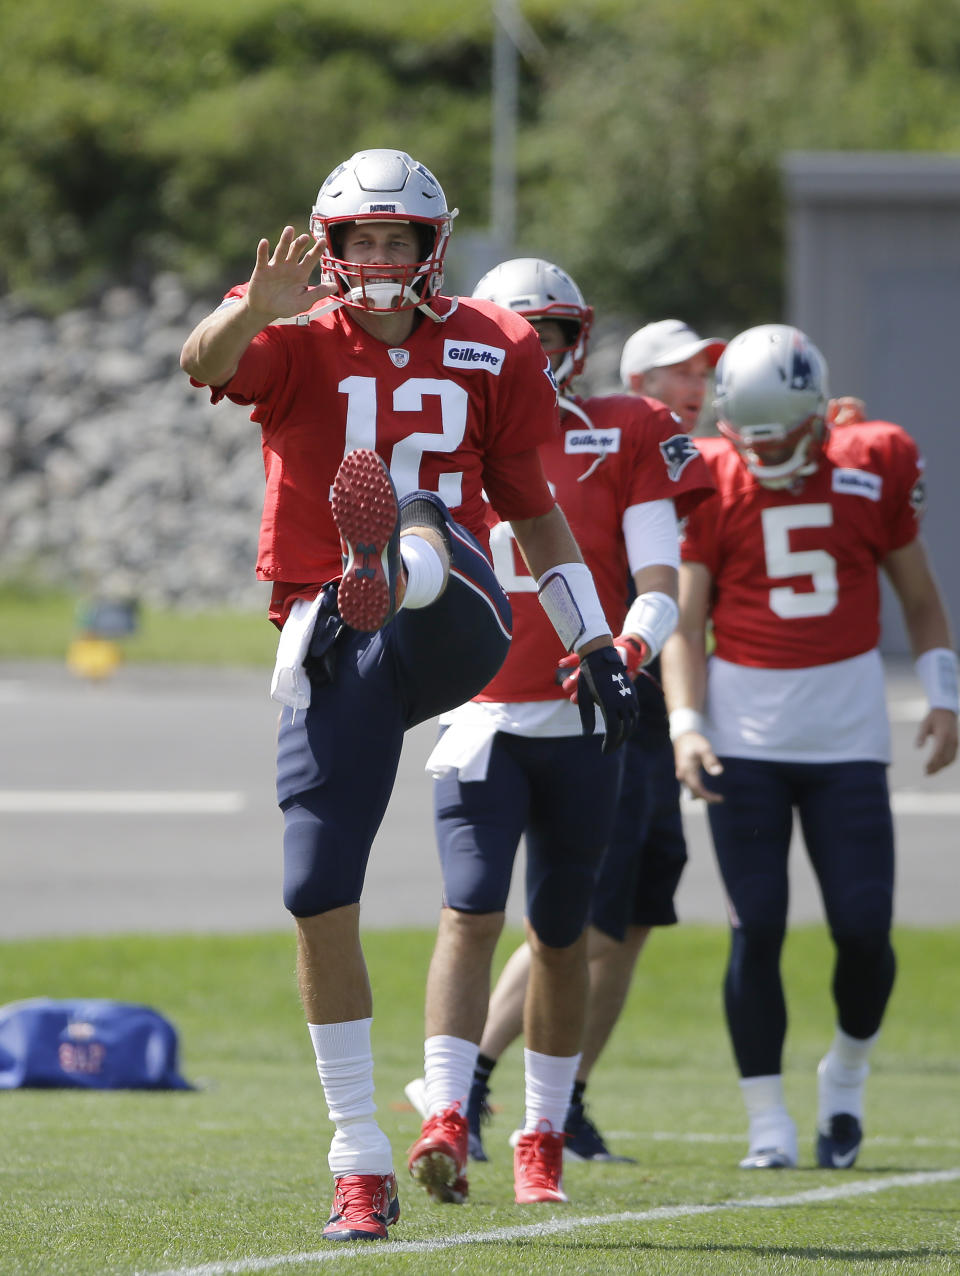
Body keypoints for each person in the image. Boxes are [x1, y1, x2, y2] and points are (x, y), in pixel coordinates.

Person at [179, 151, 640, 1242]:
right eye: (361, 240)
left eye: (397, 240)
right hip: (330, 629)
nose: (378, 259)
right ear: (328, 247)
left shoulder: (494, 339)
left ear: (433, 247)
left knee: (424, 504)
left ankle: (397, 555)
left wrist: (598, 643)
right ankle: (361, 1159)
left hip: (460, 615)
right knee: (312, 884)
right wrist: (251, 311)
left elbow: (533, 514)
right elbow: (196, 359)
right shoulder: (287, 327)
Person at [404, 260, 715, 1204]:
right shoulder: (439, 426)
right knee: (468, 913)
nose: (534, 352)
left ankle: (541, 1129)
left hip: (584, 717)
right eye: (518, 333)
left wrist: (625, 647)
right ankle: (447, 1113)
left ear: (577, 342)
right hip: (482, 715)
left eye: (549, 334)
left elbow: (660, 580)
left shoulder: (627, 428)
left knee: (562, 933)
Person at [660, 323, 959, 1171]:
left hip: (847, 735)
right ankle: (768, 1124)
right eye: (748, 433)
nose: (762, 450)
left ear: (819, 416)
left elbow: (922, 599)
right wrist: (685, 724)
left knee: (864, 930)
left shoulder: (876, 460)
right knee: (756, 927)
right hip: (741, 740)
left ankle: (846, 1079)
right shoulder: (711, 475)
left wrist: (944, 696)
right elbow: (686, 623)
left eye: (780, 433)